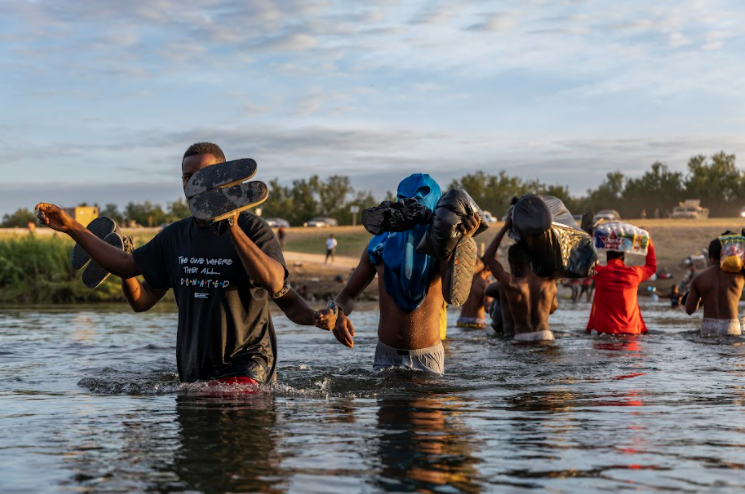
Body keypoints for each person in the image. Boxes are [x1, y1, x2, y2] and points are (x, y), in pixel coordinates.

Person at [36, 142, 312, 387]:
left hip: (248, 364)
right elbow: (128, 271)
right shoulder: (175, 235)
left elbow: (275, 282)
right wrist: (70, 226)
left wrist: (230, 223)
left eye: (201, 178)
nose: (192, 185)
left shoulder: (254, 229)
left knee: (230, 410)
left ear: (226, 179)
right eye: (187, 177)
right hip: (194, 370)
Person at [313, 174, 481, 375]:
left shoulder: (440, 248)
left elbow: (451, 295)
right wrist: (336, 312)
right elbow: (348, 295)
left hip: (426, 356)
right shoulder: (378, 246)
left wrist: (458, 244)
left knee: (426, 405)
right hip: (386, 354)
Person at [484, 216, 558, 341]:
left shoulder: (511, 283)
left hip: (522, 336)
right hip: (545, 335)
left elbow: (489, 258)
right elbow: (551, 310)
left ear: (513, 263)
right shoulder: (549, 281)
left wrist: (505, 227)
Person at [586, 233, 656, 335]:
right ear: (623, 258)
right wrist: (648, 240)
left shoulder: (599, 273)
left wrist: (587, 237)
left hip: (605, 330)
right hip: (632, 332)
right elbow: (651, 266)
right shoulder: (635, 274)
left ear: (607, 257)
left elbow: (584, 262)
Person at [685, 238, 745, 336]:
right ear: (725, 254)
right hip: (731, 325)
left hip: (709, 326)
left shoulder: (698, 279)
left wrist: (702, 299)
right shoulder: (739, 275)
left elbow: (689, 310)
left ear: (709, 257)